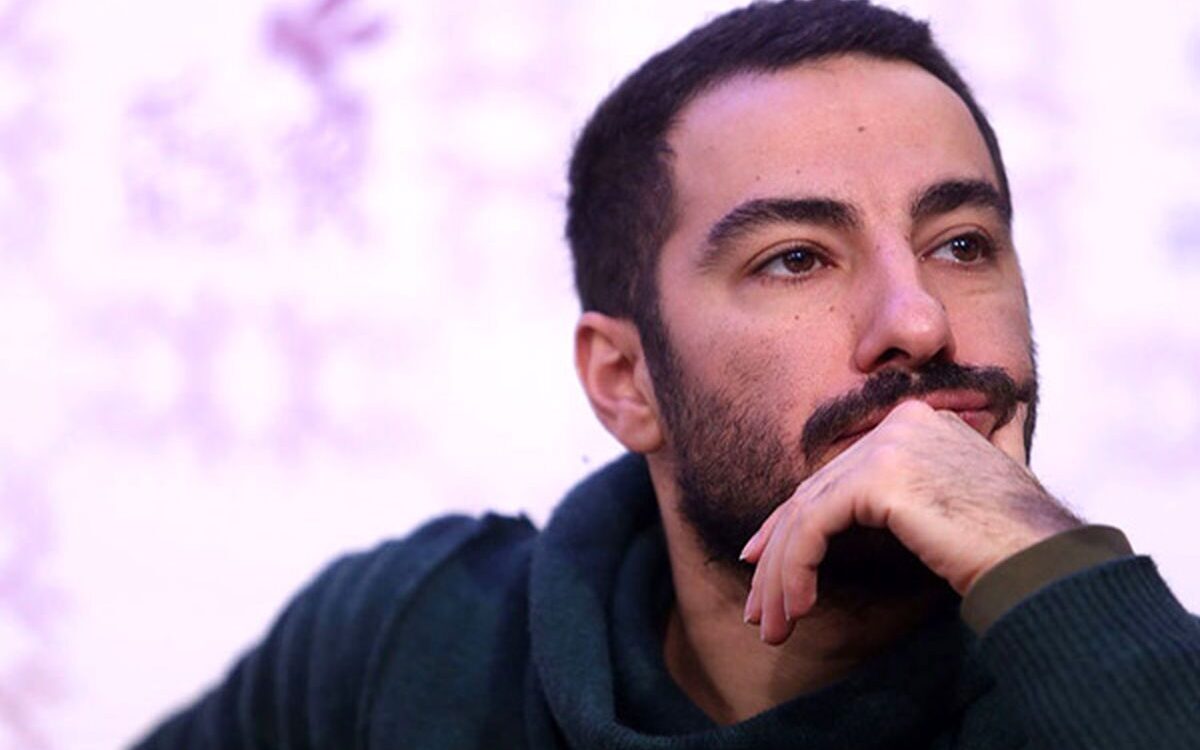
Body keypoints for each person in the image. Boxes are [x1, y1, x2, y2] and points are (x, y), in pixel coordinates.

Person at [132, 1, 1200, 747]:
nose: (917, 321)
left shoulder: (1116, 699)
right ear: (624, 380)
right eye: (796, 259)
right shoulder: (410, 646)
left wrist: (1050, 573)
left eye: (962, 244)